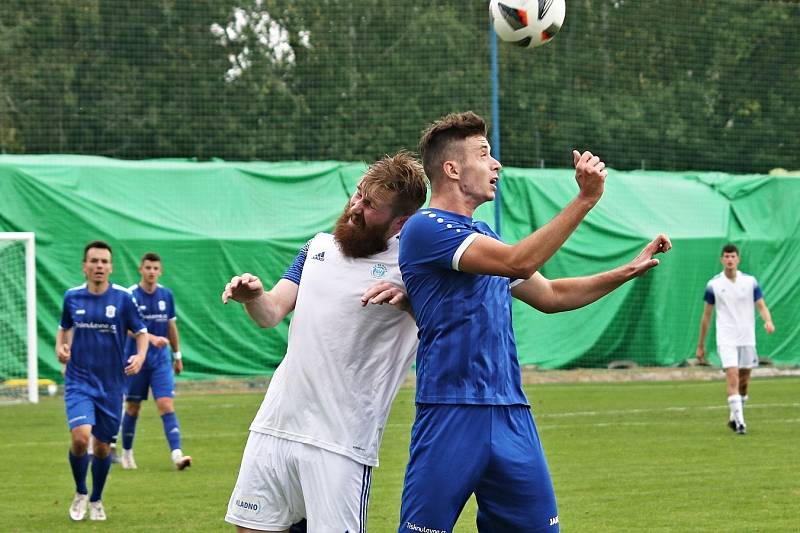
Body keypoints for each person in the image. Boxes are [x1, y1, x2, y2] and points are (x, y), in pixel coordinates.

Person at [397, 111, 672, 532]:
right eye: (484, 154)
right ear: (451, 169)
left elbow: (552, 295)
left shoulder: (483, 234)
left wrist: (627, 270)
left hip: (511, 412)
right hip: (451, 411)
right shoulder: (426, 228)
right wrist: (584, 199)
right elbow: (518, 261)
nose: (496, 164)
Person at [222, 151, 428, 532]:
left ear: (401, 221)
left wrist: (408, 304)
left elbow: (442, 326)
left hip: (341, 445)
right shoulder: (318, 247)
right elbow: (271, 313)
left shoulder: (415, 264)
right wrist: (253, 297)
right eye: (358, 194)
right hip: (275, 426)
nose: (355, 207)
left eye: (371, 205)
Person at [56, 240, 148, 521]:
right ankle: (81, 492)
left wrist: (141, 356)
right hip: (78, 382)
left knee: (103, 448)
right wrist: (60, 348)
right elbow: (63, 329)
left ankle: (96, 499)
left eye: (104, 262)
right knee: (81, 438)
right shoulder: (72, 297)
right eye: (94, 261)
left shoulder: (122, 298)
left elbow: (141, 332)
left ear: (110, 267)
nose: (99, 266)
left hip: (111, 386)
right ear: (85, 266)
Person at [118, 252, 192, 470]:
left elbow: (171, 326)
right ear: (140, 269)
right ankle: (127, 453)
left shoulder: (166, 295)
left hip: (160, 361)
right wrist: (151, 338)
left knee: (166, 404)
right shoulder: (130, 295)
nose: (151, 272)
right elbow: (128, 327)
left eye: (155, 268)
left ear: (160, 271)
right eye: (147, 268)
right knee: (132, 407)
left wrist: (177, 355)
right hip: (136, 360)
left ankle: (177, 455)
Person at [695, 243, 775, 435]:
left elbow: (761, 305)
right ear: (722, 259)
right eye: (726, 257)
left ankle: (734, 417)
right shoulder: (714, 284)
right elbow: (706, 315)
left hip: (747, 337)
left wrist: (768, 321)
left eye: (733, 257)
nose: (730, 260)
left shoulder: (750, 282)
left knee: (744, 381)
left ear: (738, 259)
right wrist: (700, 345)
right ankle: (740, 424)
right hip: (726, 338)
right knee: (732, 376)